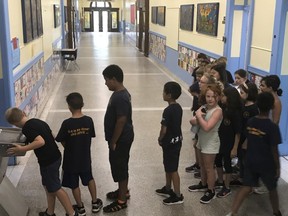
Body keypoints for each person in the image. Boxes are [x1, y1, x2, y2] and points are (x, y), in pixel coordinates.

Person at [5, 107, 78, 216]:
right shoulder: (37, 121)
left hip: (48, 161)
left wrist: (21, 149)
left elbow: (40, 142)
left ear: (14, 124)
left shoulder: (27, 128)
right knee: (48, 186)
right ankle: (50, 212)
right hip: (54, 157)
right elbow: (51, 135)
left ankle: (72, 213)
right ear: (24, 113)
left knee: (56, 188)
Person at [226, 92, 282, 216]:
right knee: (272, 189)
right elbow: (274, 149)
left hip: (251, 160)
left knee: (246, 186)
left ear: (258, 105)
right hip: (266, 164)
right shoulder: (272, 127)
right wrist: (277, 167)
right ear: (272, 107)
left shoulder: (251, 121)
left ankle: (233, 212)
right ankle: (276, 212)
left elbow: (248, 140)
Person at [55, 92, 103, 215]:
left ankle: (80, 207)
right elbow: (90, 136)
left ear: (69, 107)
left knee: (74, 184)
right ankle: (95, 203)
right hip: (85, 158)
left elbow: (61, 139)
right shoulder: (88, 120)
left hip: (71, 160)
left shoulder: (67, 124)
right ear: (83, 105)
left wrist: (69, 146)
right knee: (89, 178)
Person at [102, 64, 134, 213]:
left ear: (114, 79)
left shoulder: (120, 97)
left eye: (107, 80)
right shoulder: (120, 93)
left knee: (120, 167)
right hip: (121, 138)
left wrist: (113, 141)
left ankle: (121, 201)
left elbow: (121, 120)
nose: (105, 83)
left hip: (121, 139)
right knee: (119, 166)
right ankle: (123, 190)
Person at [188, 84, 223, 204]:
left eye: (213, 96)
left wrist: (198, 116)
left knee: (209, 168)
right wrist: (197, 117)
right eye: (208, 96)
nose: (210, 99)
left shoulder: (218, 111)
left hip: (211, 142)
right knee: (202, 165)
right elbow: (192, 121)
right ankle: (203, 184)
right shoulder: (204, 107)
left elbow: (207, 127)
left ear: (218, 97)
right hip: (201, 140)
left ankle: (211, 190)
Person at [155, 81, 184, 205]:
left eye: (164, 91)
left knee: (173, 169)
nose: (162, 94)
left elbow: (164, 129)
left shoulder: (167, 111)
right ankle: (168, 188)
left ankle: (177, 195)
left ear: (169, 95)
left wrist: (160, 138)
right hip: (177, 141)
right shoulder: (178, 107)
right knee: (168, 166)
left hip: (169, 143)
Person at [215, 87, 242, 198]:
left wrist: (235, 148)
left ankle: (227, 187)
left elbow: (238, 132)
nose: (222, 97)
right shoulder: (223, 108)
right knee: (217, 160)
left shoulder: (235, 113)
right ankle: (220, 181)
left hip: (229, 143)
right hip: (220, 141)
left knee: (227, 163)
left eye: (224, 95)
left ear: (230, 97)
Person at [230, 82, 259, 187]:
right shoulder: (243, 104)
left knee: (247, 161)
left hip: (248, 140)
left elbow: (253, 128)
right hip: (241, 137)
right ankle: (242, 178)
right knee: (241, 159)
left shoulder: (254, 109)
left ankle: (250, 183)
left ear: (249, 94)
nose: (240, 95)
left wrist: (247, 142)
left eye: (242, 93)